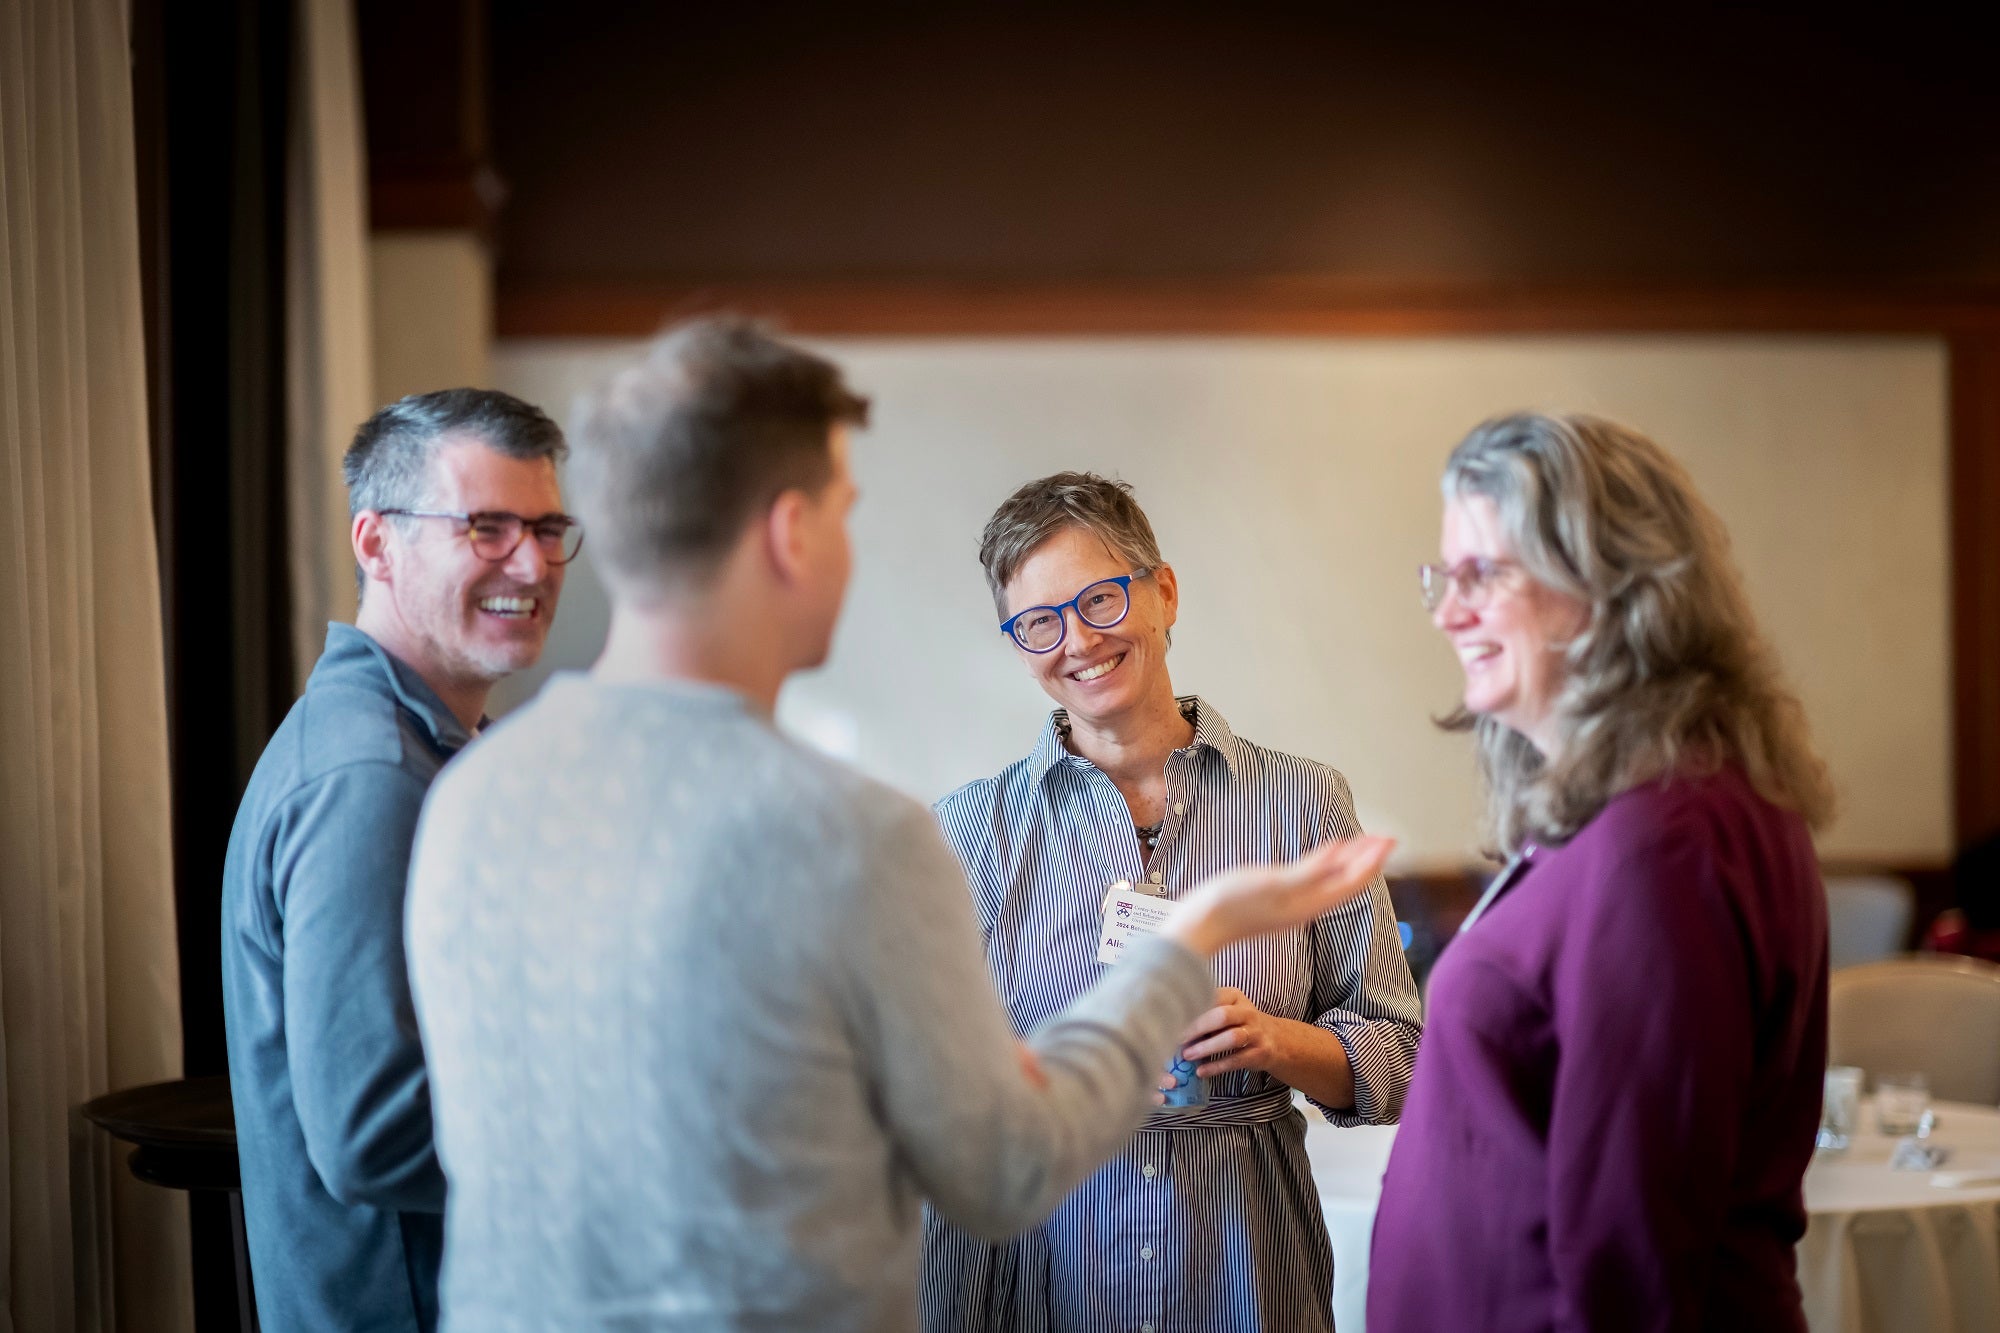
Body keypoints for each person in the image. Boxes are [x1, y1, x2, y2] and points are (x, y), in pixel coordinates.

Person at [401, 318, 1394, 1333]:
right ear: (791, 533)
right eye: (846, 508)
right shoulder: (851, 834)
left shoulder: (468, 798)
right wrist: (1187, 943)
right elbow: (1003, 1169)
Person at [919, 473, 1423, 1332]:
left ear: (1163, 592)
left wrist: (1279, 1041)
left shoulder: (1302, 801)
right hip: (1040, 1271)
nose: (1077, 640)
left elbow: (1403, 1057)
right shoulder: (966, 832)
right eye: (1039, 621)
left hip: (1245, 1265)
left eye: (1100, 599)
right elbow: (921, 1086)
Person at [1369, 412, 1834, 1331]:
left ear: (1610, 582)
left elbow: (1635, 1244)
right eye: (1444, 577)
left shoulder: (1664, 840)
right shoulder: (1639, 812)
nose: (1449, 611)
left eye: (1486, 574)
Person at [221, 389, 577, 1332]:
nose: (532, 562)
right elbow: (371, 1136)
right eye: (487, 527)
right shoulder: (368, 774)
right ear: (375, 544)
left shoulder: (428, 749)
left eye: (547, 527)